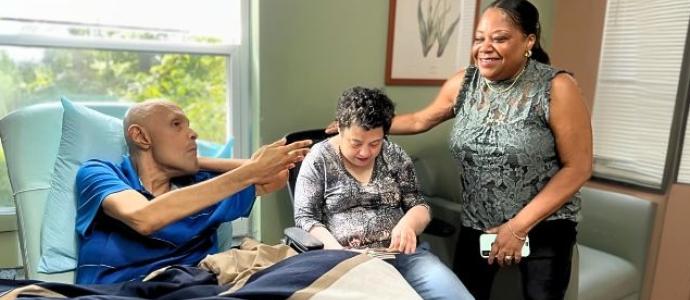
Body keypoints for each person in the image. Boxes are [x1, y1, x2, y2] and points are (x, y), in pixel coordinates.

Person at [328, 1, 592, 299]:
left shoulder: (556, 86)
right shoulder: (465, 82)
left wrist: (517, 228)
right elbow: (420, 119)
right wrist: (361, 126)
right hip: (477, 223)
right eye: (479, 38)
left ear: (529, 41)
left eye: (500, 38)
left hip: (544, 227)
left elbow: (578, 167)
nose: (485, 47)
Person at [75, 100, 311, 284]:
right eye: (177, 125)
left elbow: (277, 177)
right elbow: (144, 217)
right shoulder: (100, 172)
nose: (193, 133)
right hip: (121, 290)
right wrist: (251, 169)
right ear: (141, 136)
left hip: (197, 285)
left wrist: (198, 163)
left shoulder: (204, 185)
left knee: (311, 264)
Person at [295, 87, 474, 300]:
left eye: (374, 143)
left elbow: (418, 204)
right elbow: (306, 218)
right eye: (356, 143)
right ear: (339, 128)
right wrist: (337, 253)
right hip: (346, 261)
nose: (365, 152)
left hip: (403, 256)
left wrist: (408, 224)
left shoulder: (394, 155)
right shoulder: (319, 159)